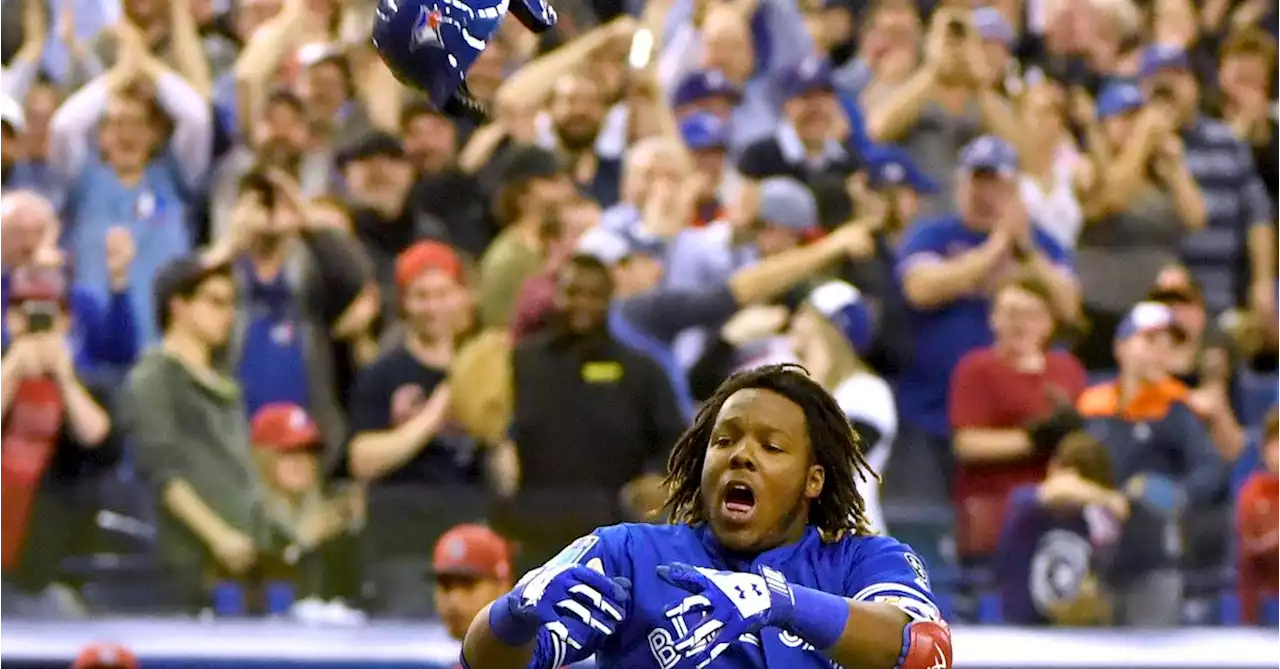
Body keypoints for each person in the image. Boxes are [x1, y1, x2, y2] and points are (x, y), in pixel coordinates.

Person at [460, 364, 951, 669]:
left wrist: (780, 602)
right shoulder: (629, 554)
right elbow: (483, 664)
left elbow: (927, 650)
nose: (741, 455)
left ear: (813, 480)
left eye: (772, 446)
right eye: (724, 440)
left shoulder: (861, 563)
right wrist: (511, 616)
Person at [431, 523, 516, 641]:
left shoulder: (539, 654)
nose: (454, 600)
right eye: (446, 585)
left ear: (502, 588)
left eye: (468, 584)